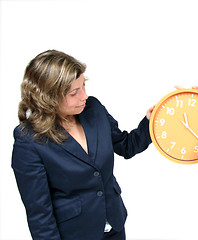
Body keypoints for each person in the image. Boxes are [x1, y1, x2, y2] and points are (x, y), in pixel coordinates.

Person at [11, 50, 153, 240]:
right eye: (74, 92)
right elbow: (39, 215)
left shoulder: (93, 109)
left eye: (83, 86)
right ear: (48, 98)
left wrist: (155, 120)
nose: (84, 96)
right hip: (75, 234)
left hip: (114, 226)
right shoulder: (28, 140)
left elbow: (126, 146)